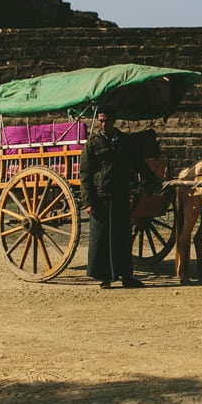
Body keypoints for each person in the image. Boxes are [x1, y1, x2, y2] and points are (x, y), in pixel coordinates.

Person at [80, 106, 156, 289]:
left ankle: (126, 276)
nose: (103, 124)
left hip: (121, 196)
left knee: (122, 237)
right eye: (100, 120)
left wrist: (152, 179)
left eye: (106, 120)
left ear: (114, 121)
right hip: (101, 197)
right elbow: (85, 175)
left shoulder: (123, 141)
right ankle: (104, 278)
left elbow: (138, 163)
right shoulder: (92, 144)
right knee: (101, 238)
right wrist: (88, 202)